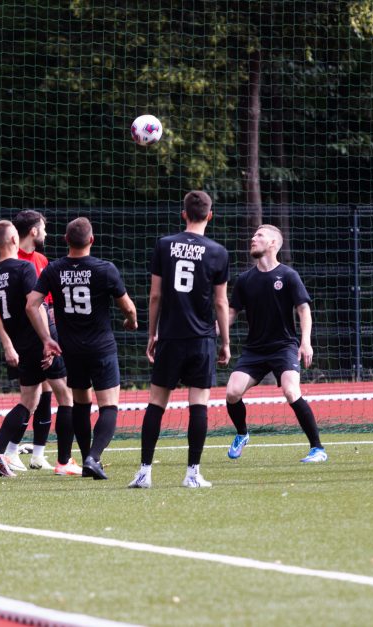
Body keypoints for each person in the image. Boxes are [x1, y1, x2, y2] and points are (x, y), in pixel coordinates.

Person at [128, 191, 230, 489]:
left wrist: (152, 333)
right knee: (198, 404)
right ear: (209, 215)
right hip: (201, 339)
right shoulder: (218, 252)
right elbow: (221, 303)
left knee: (156, 403)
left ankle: (145, 472)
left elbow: (156, 294)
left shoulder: (164, 245)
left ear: (183, 213)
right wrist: (224, 341)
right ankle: (192, 473)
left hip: (170, 336)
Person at [26, 217, 137, 480]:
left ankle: (88, 458)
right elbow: (129, 307)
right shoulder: (105, 269)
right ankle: (93, 457)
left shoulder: (53, 270)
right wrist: (131, 321)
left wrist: (46, 339)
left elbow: (31, 304)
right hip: (101, 348)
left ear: (66, 240)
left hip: (71, 349)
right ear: (91, 240)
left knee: (81, 404)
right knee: (108, 406)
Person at [225, 224, 327, 464]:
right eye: (253, 234)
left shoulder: (288, 275)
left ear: (272, 244)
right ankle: (242, 434)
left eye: (259, 235)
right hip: (255, 350)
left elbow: (304, 309)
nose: (253, 238)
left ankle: (318, 448)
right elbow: (231, 313)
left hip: (284, 346)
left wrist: (306, 342)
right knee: (231, 393)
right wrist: (214, 331)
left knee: (291, 391)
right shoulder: (244, 279)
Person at [0, 220, 78, 478]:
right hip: (38, 340)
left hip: (22, 344)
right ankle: (64, 461)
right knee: (66, 397)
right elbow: (33, 306)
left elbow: (3, 315)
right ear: (14, 239)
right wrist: (48, 339)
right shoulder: (24, 267)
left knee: (28, 401)